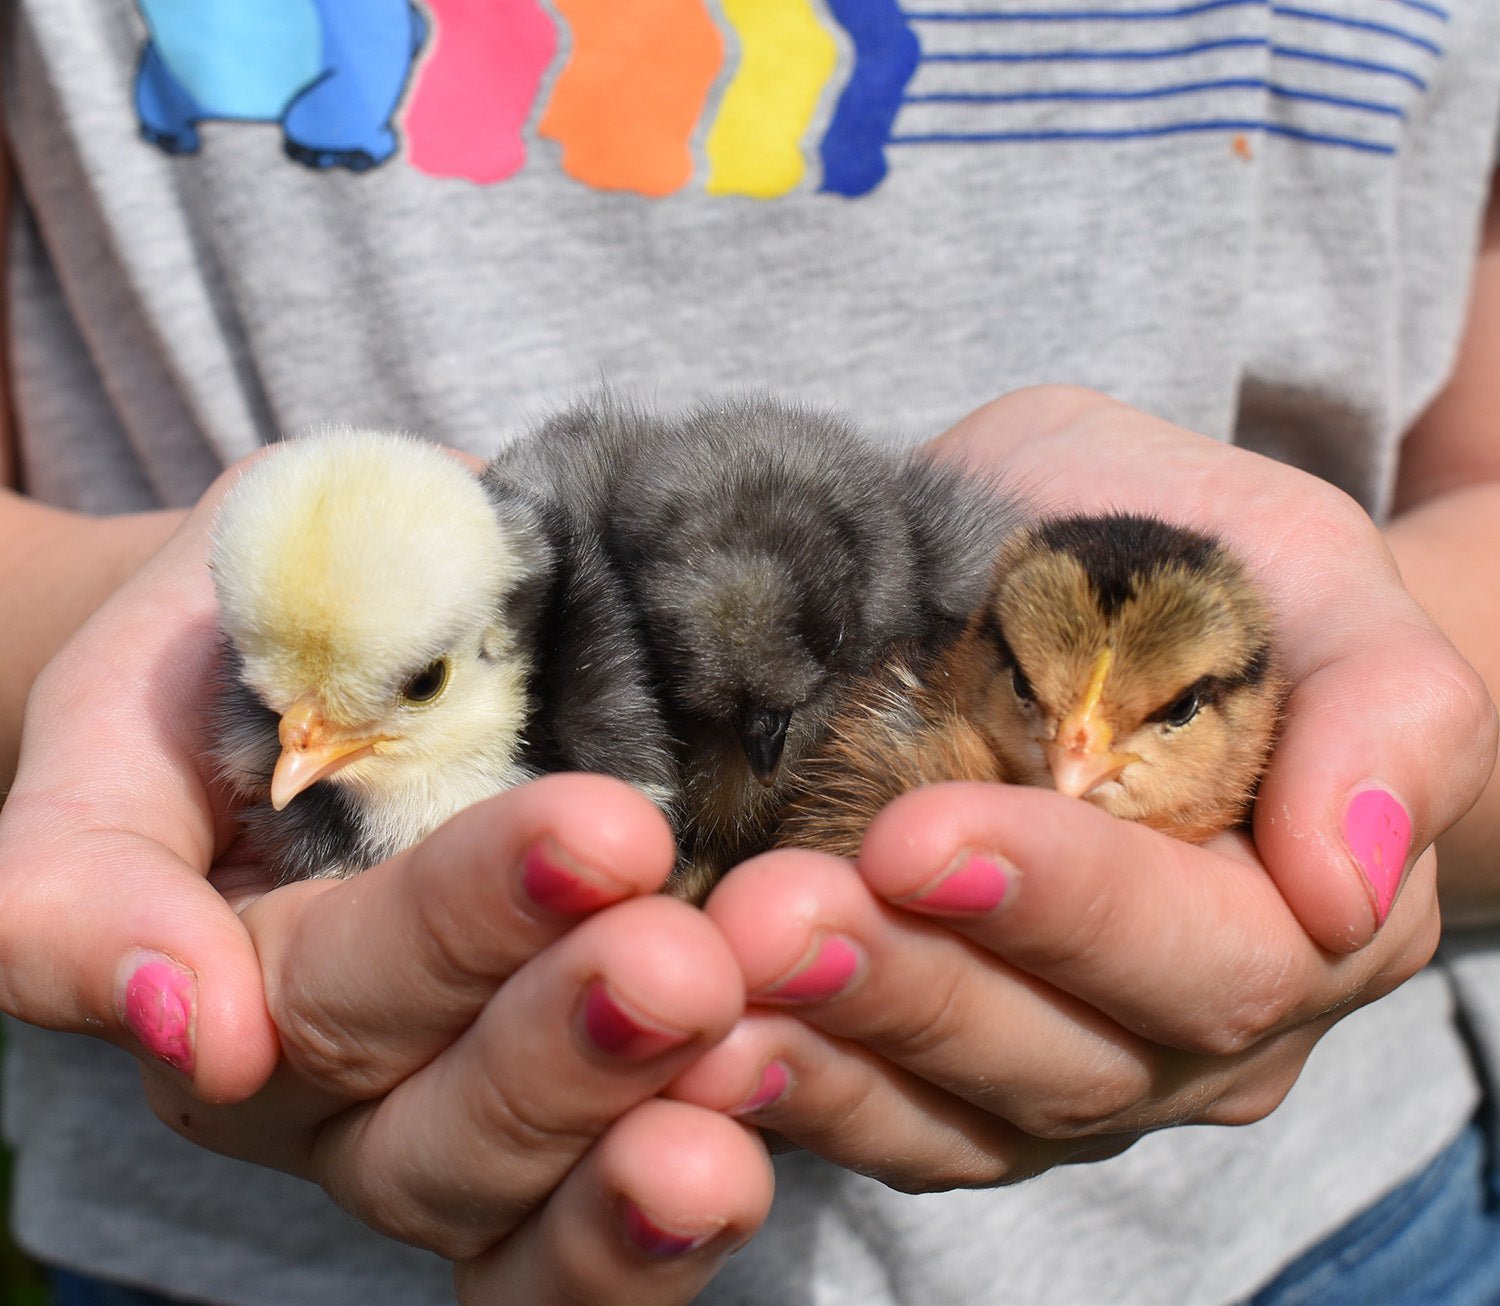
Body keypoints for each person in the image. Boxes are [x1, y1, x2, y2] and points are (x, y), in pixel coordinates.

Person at [1, 3, 1498, 1304]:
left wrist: (1414, 760)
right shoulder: (571, 669)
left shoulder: (916, 644)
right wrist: (118, 683)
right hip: (230, 1255)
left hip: (1311, 1239)